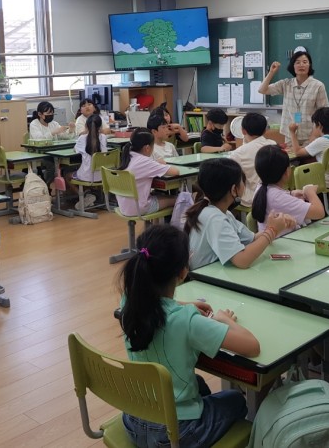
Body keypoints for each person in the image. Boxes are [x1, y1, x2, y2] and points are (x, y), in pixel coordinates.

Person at [119, 224, 257, 448]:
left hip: (133, 420)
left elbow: (160, 306)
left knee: (199, 385)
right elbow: (252, 346)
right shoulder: (187, 322)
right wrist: (225, 319)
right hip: (174, 435)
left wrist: (186, 304)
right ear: (183, 272)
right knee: (234, 400)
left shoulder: (130, 301)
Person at [186, 157, 294, 269]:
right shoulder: (214, 218)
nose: (244, 184)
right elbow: (242, 260)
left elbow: (253, 239)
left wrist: (277, 226)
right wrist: (271, 231)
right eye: (242, 180)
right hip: (206, 278)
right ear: (234, 190)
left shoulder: (223, 213)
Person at [258, 48, 329, 147]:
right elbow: (262, 90)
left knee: (308, 158)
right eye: (297, 62)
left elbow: (324, 114)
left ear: (309, 65)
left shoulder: (318, 86)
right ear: (293, 66)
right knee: (291, 157)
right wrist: (271, 73)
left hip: (310, 136)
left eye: (305, 62)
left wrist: (314, 135)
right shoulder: (286, 84)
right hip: (290, 135)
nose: (301, 65)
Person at [252, 145, 325, 236]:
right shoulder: (277, 197)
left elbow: (277, 199)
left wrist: (290, 194)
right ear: (287, 172)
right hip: (283, 241)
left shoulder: (261, 187)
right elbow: (319, 212)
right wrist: (310, 192)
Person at [115, 128, 179, 217]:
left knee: (159, 195)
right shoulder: (145, 162)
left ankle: (157, 225)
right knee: (178, 199)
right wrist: (159, 164)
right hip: (139, 208)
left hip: (125, 206)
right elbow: (175, 172)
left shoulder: (129, 156)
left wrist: (155, 163)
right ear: (147, 148)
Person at [288, 106, 329, 189]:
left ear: (320, 125)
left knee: (294, 173)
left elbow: (298, 152)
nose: (313, 127)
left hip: (323, 182)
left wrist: (292, 132)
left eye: (314, 124)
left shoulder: (321, 141)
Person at [229, 112, 277, 207]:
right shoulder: (273, 144)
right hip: (274, 194)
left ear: (243, 131)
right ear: (265, 130)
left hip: (251, 197)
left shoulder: (238, 153)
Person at [73, 113, 108, 210]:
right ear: (100, 127)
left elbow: (75, 150)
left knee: (67, 174)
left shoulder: (82, 138)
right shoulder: (104, 137)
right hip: (102, 176)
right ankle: (89, 194)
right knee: (83, 171)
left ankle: (85, 197)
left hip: (87, 176)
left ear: (86, 126)